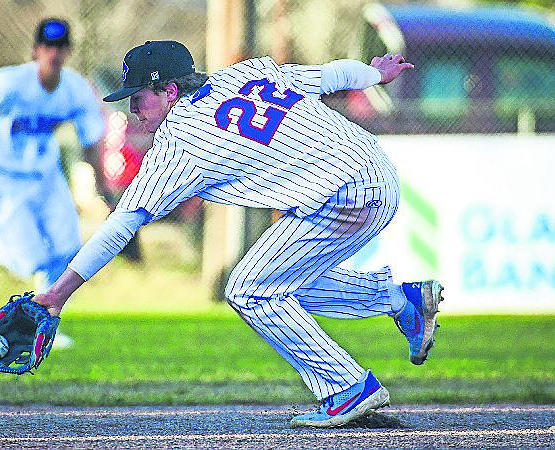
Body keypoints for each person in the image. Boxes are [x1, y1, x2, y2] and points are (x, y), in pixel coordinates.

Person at [33, 40, 444, 427]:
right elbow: (331, 75)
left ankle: (347, 388)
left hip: (342, 194)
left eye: (138, 97)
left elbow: (120, 226)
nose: (134, 108)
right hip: (377, 173)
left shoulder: (180, 142)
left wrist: (58, 294)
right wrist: (373, 75)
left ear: (169, 91)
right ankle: (403, 301)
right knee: (276, 284)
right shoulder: (247, 74)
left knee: (250, 290)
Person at [0, 18, 108, 349]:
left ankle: (43, 325)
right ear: (36, 50)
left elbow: (91, 141)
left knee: (68, 248)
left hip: (44, 172)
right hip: (3, 172)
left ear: (67, 51)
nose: (53, 53)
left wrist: (105, 190)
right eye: (47, 47)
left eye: (59, 47)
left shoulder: (74, 89)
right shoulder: (12, 82)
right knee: (29, 259)